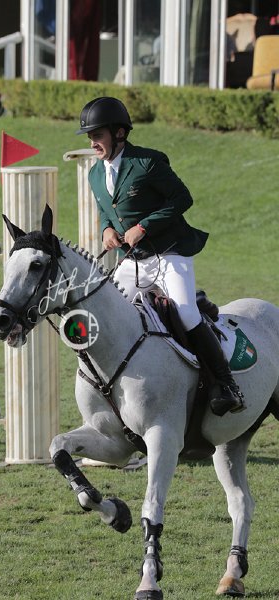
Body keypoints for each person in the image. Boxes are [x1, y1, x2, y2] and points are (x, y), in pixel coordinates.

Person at [76, 96, 245, 417]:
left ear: (119, 133)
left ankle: (227, 385)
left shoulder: (147, 162)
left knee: (187, 314)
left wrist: (144, 226)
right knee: (108, 309)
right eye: (90, 137)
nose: (92, 142)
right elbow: (105, 209)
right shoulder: (95, 174)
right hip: (133, 260)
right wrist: (106, 229)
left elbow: (183, 199)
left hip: (170, 254)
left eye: (97, 135)